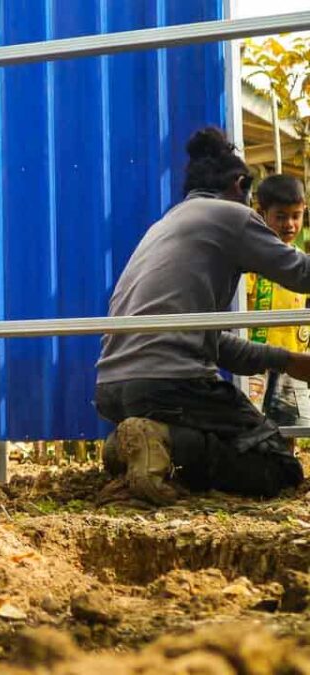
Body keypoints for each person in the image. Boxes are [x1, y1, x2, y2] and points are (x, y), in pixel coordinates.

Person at [95, 127, 308, 506]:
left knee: (226, 440)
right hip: (168, 381)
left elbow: (209, 340)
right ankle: (168, 444)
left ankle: (125, 446)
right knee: (279, 467)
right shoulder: (232, 216)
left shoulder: (165, 225)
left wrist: (287, 361)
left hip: (113, 387)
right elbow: (302, 275)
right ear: (240, 184)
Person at [245, 175, 309, 426]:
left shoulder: (303, 262)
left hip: (295, 363)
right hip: (257, 363)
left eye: (296, 215)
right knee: (253, 426)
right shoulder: (251, 261)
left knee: (293, 426)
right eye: (280, 216)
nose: (290, 224)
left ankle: (289, 466)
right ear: (262, 214)